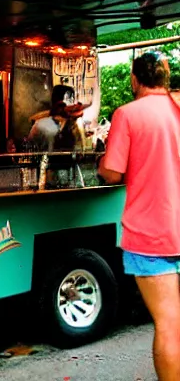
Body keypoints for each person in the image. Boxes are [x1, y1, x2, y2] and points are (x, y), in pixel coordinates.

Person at [98, 51, 180, 381]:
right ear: (166, 78)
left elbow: (113, 173)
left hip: (151, 237)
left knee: (169, 324)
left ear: (134, 79)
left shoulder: (128, 114)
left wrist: (102, 162)